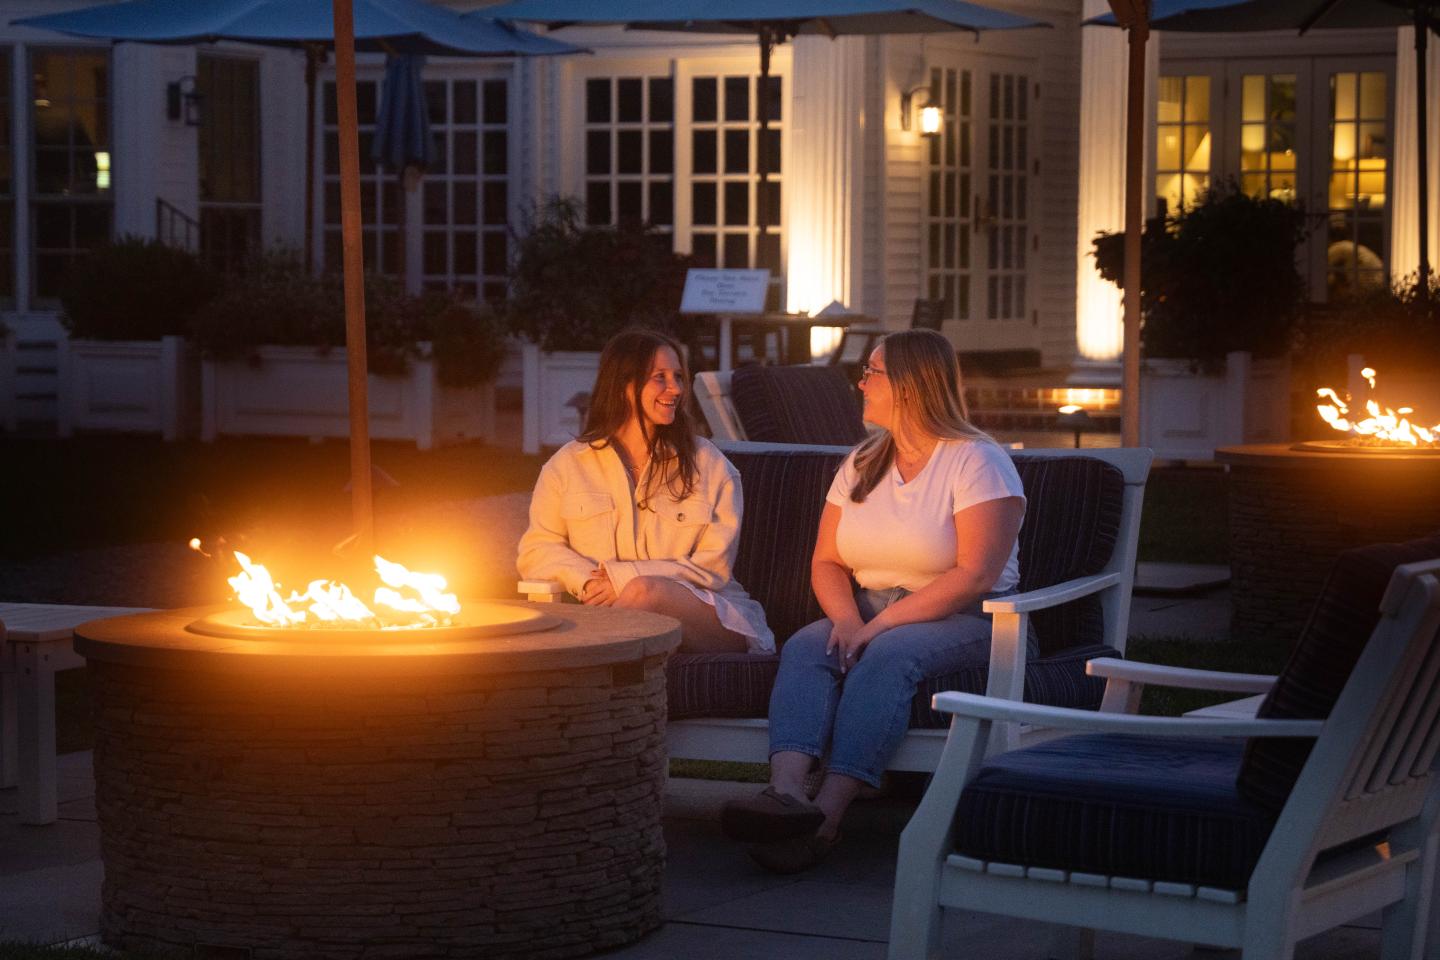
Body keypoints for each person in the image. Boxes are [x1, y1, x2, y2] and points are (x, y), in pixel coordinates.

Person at [720, 329, 1026, 872]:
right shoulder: (863, 462)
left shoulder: (976, 460)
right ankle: (785, 797)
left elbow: (975, 574)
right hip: (869, 606)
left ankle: (827, 818)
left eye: (872, 371)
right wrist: (845, 619)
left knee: (885, 656)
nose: (860, 381)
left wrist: (878, 627)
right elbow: (826, 561)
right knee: (810, 646)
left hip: (973, 617)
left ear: (909, 384)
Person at [517, 328, 773, 654]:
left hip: (711, 617)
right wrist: (588, 581)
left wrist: (626, 579)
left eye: (678, 376)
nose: (676, 389)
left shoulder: (710, 466)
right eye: (660, 377)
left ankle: (583, 663)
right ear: (624, 384)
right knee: (638, 595)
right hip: (614, 615)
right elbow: (537, 550)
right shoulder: (567, 466)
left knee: (645, 591)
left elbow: (713, 567)